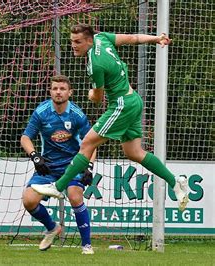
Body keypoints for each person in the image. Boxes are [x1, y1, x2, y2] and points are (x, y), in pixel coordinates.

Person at [31, 24, 189, 212]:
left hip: (122, 105)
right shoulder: (102, 38)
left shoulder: (95, 64)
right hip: (133, 100)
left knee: (87, 143)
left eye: (78, 42)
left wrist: (91, 94)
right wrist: (156, 39)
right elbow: (132, 39)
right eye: (72, 41)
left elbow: (98, 99)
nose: (73, 45)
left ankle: (57, 187)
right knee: (134, 152)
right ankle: (176, 183)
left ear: (89, 40)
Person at [21, 75, 95, 254]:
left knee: (75, 196)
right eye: (55, 88)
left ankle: (86, 245)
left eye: (62, 89)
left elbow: (91, 142)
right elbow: (25, 138)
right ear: (50, 91)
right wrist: (35, 157)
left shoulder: (77, 115)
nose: (58, 92)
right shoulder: (41, 112)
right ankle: (52, 227)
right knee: (28, 201)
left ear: (70, 92)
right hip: (48, 166)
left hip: (73, 166)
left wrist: (88, 166)